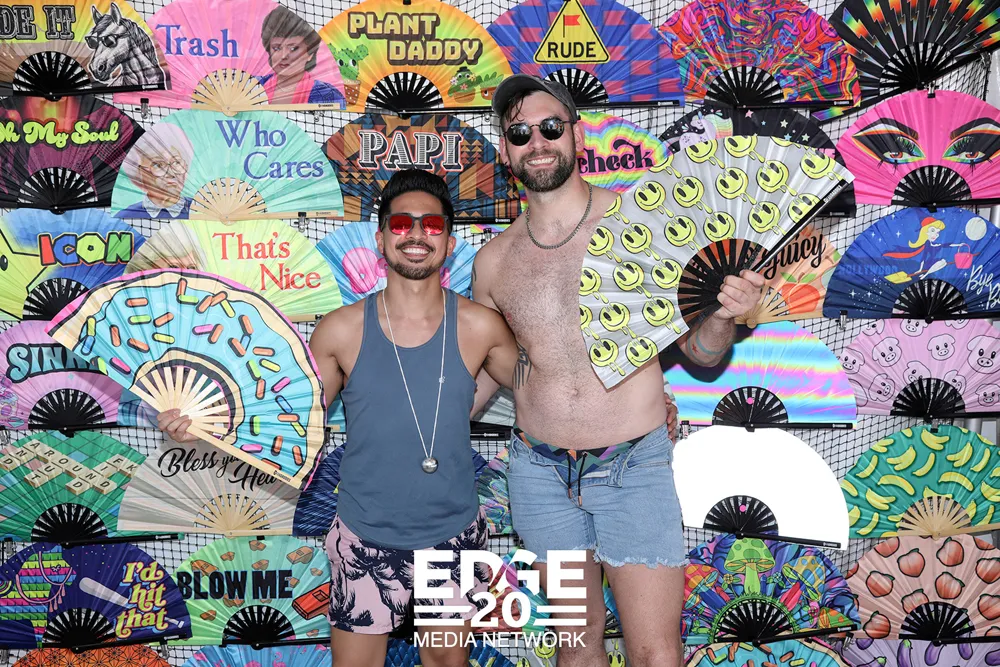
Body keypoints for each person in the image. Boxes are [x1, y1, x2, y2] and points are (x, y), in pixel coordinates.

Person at [158, 170, 520, 667]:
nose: (416, 234)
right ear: (380, 239)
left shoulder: (481, 326)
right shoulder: (340, 330)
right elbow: (287, 420)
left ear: (449, 243)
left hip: (451, 535)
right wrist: (200, 423)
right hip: (364, 534)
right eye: (401, 223)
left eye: (432, 224)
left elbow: (543, 387)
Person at [470, 75, 765, 667]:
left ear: (577, 135)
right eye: (520, 133)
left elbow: (703, 354)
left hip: (633, 468)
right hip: (539, 475)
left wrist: (723, 315)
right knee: (576, 649)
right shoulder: (492, 262)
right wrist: (414, 423)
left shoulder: (639, 221)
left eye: (550, 127)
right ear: (505, 150)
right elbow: (497, 372)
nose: (537, 142)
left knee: (655, 652)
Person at [258, 6, 346, 106]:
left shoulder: (328, 96)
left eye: (293, 48)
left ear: (310, 53)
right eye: (277, 48)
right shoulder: (253, 87)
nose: (284, 56)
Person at [117, 123, 194, 219]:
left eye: (176, 162)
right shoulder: (127, 216)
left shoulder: (200, 210)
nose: (171, 174)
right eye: (158, 165)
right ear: (139, 174)